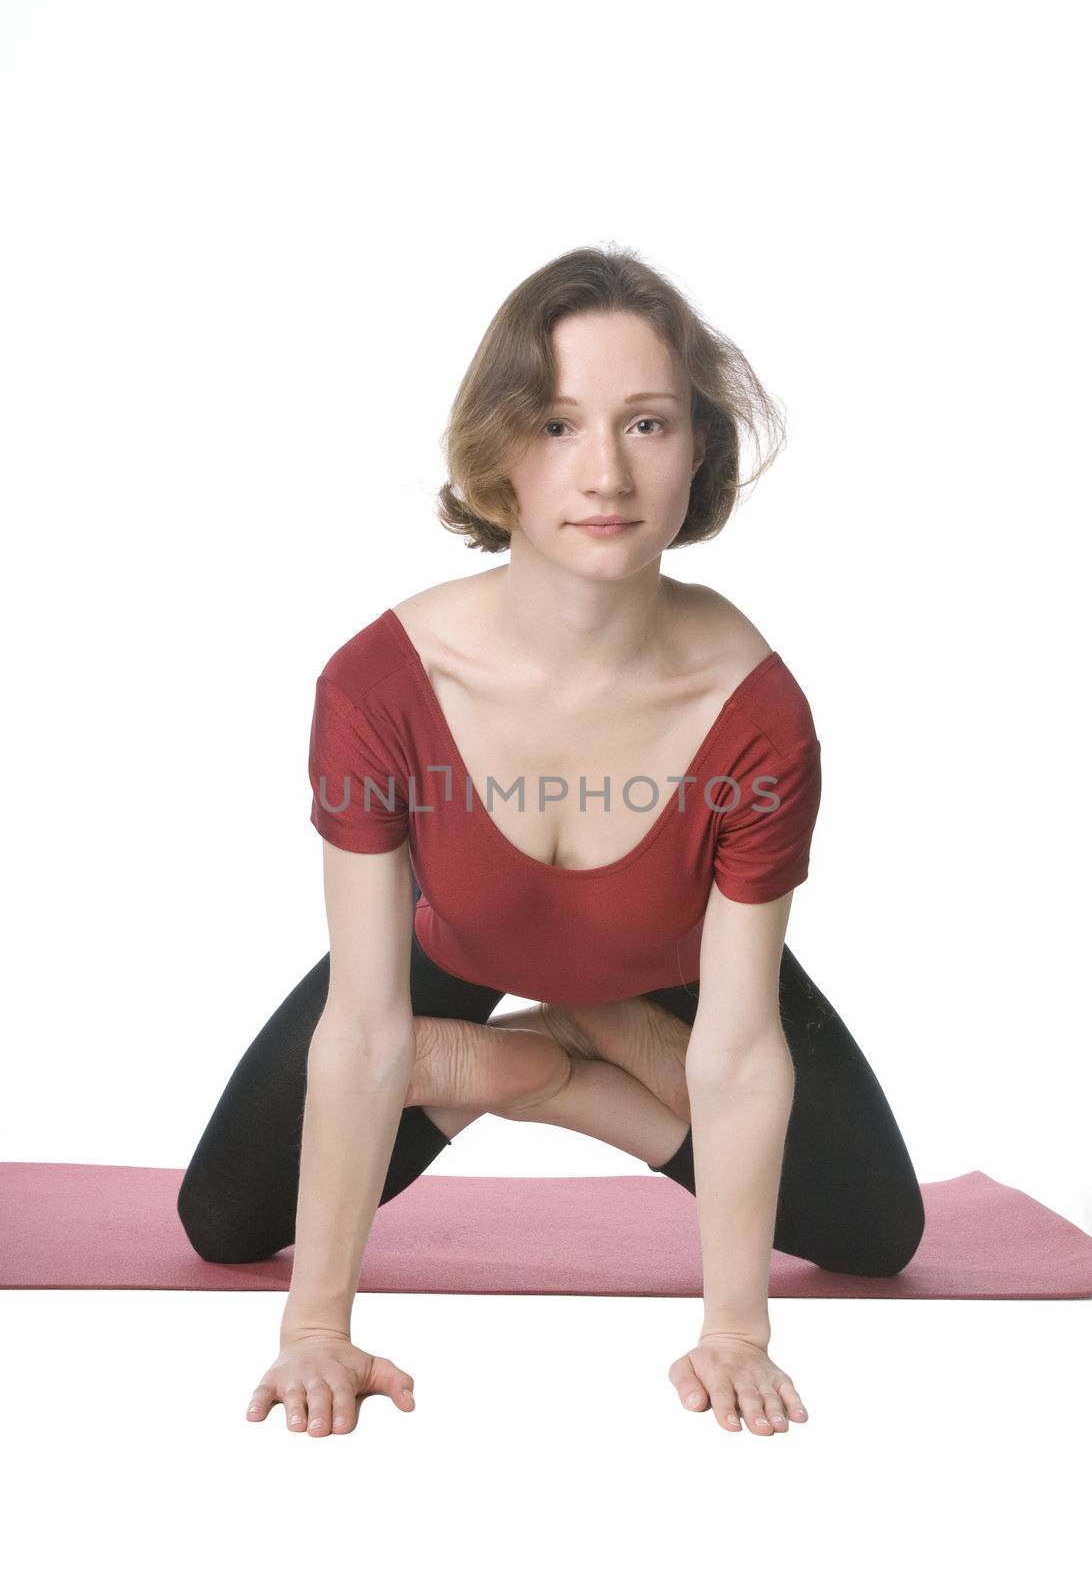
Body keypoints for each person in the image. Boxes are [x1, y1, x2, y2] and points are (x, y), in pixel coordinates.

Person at [177, 243, 925, 1440]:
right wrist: (316, 1328)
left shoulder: (758, 712)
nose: (606, 473)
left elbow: (732, 1049)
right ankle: (514, 1060)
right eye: (562, 424)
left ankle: (574, 1042)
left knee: (876, 1229)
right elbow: (370, 1027)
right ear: (500, 453)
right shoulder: (380, 685)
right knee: (222, 1216)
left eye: (646, 424)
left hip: (664, 962)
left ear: (698, 455)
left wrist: (734, 1330)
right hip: (463, 939)